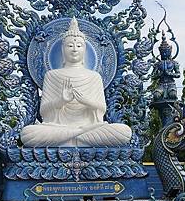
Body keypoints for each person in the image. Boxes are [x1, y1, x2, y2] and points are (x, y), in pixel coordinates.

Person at [20, 17, 132, 147]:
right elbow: (44, 111)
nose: (74, 49)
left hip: (89, 127)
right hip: (59, 128)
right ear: (63, 50)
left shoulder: (94, 77)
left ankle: (69, 138)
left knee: (124, 132)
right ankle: (80, 137)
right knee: (28, 134)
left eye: (79, 45)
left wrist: (86, 101)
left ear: (84, 50)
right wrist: (61, 100)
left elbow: (102, 109)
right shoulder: (51, 76)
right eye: (70, 45)